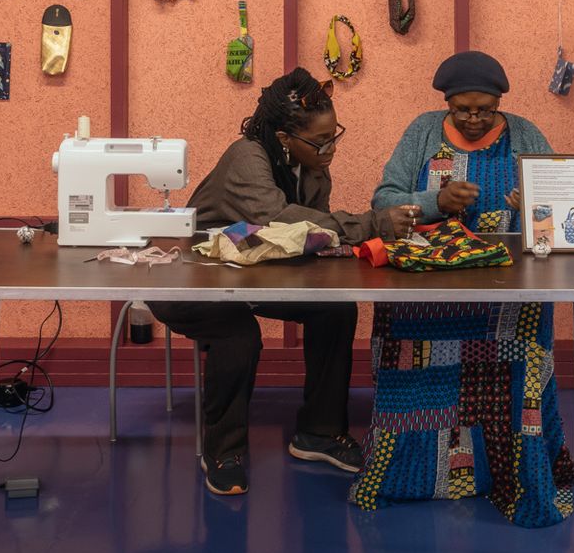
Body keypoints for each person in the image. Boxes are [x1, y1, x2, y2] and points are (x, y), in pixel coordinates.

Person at [149, 68, 415, 498]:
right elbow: (283, 219)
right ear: (285, 137)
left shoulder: (312, 167)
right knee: (237, 334)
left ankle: (319, 432)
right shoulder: (246, 158)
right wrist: (372, 224)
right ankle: (222, 450)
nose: (329, 149)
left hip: (254, 271)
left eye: (334, 137)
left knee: (336, 309)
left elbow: (315, 234)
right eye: (319, 141)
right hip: (192, 275)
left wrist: (345, 242)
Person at [353, 50, 574, 527]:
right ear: (446, 104)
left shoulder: (527, 135)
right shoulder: (422, 132)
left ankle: (515, 475)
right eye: (463, 110)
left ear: (500, 103)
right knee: (414, 377)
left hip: (510, 296)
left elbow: (561, 208)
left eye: (486, 110)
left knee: (517, 373)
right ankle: (407, 477)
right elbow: (384, 200)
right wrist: (434, 200)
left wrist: (534, 203)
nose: (474, 119)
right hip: (424, 291)